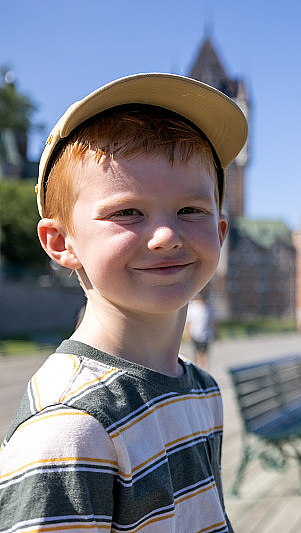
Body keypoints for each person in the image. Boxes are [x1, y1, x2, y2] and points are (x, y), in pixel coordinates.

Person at [0, 73, 247, 531]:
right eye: (126, 212)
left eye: (190, 210)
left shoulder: (201, 390)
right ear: (60, 242)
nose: (167, 236)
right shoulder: (71, 431)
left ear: (220, 231)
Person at [186, 291, 216, 370]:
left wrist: (215, 333)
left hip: (206, 334)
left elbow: (213, 322)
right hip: (195, 333)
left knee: (204, 353)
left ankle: (203, 369)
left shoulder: (208, 307)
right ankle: (199, 368)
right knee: (198, 353)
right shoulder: (193, 308)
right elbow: (188, 323)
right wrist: (188, 334)